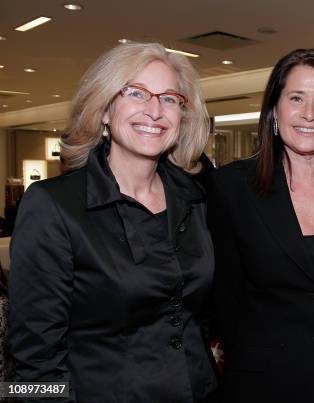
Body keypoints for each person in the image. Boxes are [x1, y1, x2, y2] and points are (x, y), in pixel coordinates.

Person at [8, 42, 217, 402]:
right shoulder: (52, 205)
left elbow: (198, 316)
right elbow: (31, 358)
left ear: (183, 116)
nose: (154, 110)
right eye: (136, 93)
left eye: (169, 98)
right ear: (104, 109)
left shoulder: (195, 199)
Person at [206, 48, 314, 403]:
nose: (308, 114)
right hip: (263, 385)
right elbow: (222, 297)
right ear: (274, 110)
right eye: (296, 98)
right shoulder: (232, 188)